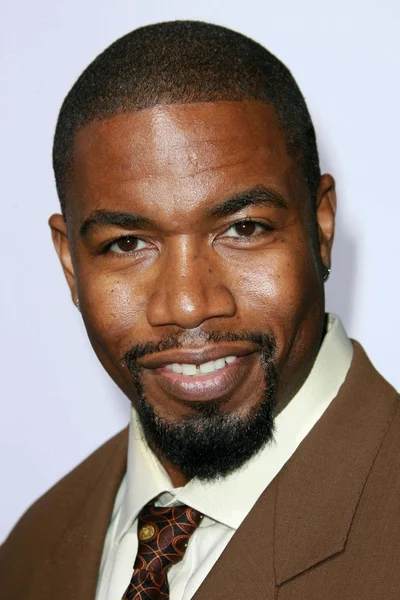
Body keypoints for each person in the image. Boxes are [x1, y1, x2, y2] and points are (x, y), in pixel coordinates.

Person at [0, 20, 398, 600]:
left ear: (321, 225)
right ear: (71, 265)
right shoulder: (31, 551)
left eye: (243, 229)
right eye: (127, 244)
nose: (188, 303)